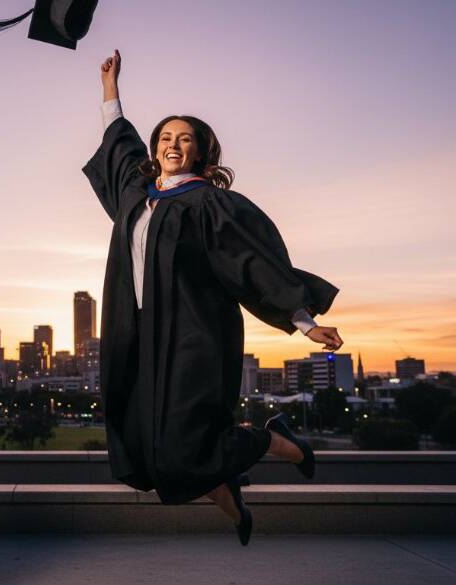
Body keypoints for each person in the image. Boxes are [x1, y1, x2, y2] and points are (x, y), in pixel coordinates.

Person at [83, 50, 344, 545]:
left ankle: (278, 441)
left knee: (185, 440)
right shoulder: (136, 195)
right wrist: (110, 89)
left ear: (201, 151)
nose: (172, 144)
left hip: (193, 333)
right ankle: (230, 497)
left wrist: (305, 322)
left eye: (184, 138)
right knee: (147, 443)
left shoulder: (209, 203)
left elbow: (254, 263)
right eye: (165, 137)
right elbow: (118, 145)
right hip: (136, 333)